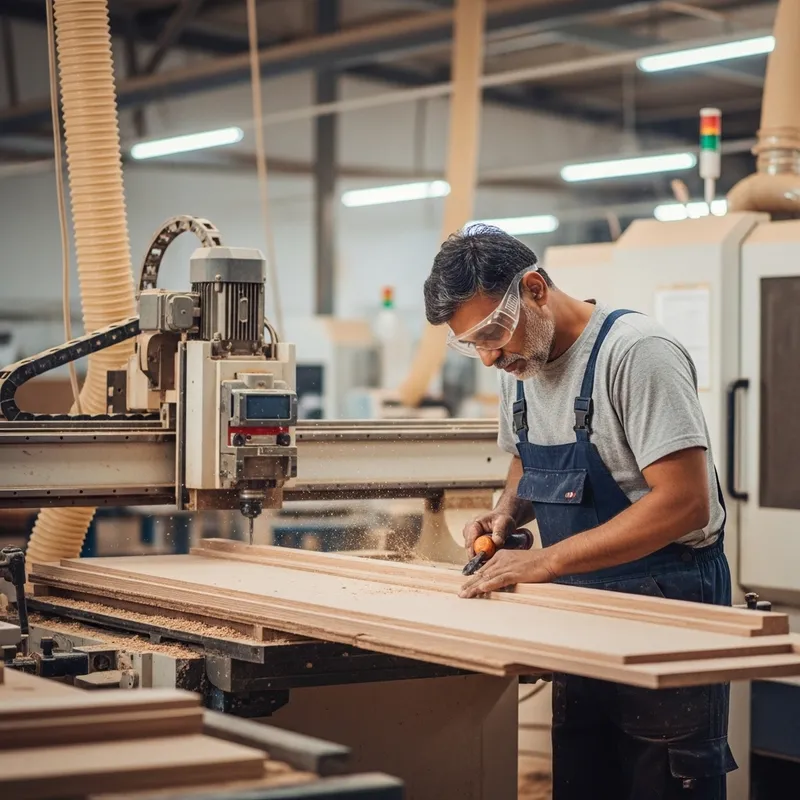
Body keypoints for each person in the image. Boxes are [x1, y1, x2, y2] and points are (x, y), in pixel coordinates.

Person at [422, 224, 737, 799]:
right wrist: (507, 515)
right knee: (585, 776)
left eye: (494, 331)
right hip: (580, 609)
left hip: (665, 606)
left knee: (661, 782)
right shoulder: (520, 366)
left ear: (536, 289)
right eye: (472, 345)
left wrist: (545, 562)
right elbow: (525, 458)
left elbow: (686, 502)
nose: (489, 356)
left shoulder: (636, 353)